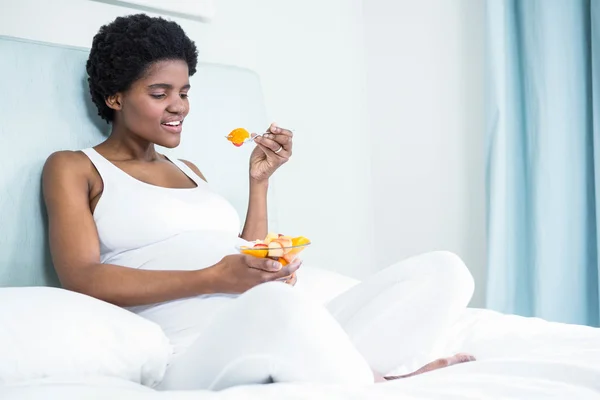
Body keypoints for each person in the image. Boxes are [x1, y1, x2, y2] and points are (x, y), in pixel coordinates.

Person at [42, 14, 476, 391]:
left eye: (184, 92)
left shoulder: (189, 169)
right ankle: (377, 382)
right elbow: (83, 278)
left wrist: (259, 185)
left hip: (266, 317)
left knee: (444, 271)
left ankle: (348, 368)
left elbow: (239, 257)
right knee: (277, 306)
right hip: (195, 350)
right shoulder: (75, 167)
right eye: (160, 94)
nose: (179, 107)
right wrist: (215, 278)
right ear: (115, 97)